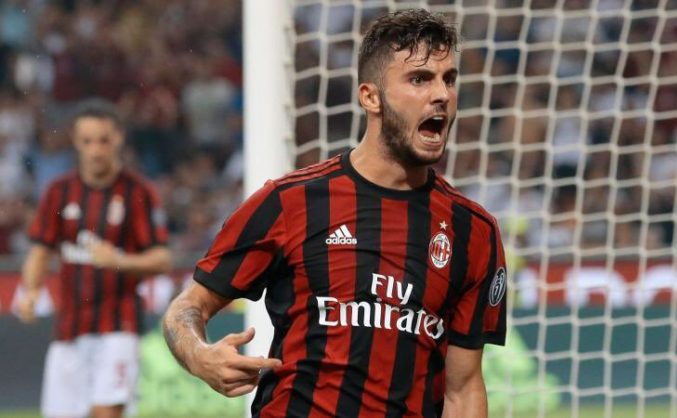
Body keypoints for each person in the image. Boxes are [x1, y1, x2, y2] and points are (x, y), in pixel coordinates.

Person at [163, 8, 507, 418]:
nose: (442, 95)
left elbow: (463, 389)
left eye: (448, 79)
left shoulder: (473, 232)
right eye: (419, 79)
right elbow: (187, 307)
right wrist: (200, 355)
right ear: (370, 97)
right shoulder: (290, 201)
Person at [18, 99, 172, 418]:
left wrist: (119, 260)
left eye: (103, 140)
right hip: (68, 328)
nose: (96, 150)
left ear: (118, 138)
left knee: (107, 412)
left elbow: (162, 258)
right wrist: (31, 291)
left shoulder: (137, 192)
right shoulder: (58, 192)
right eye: (87, 141)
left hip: (119, 326)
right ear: (75, 142)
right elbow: (40, 250)